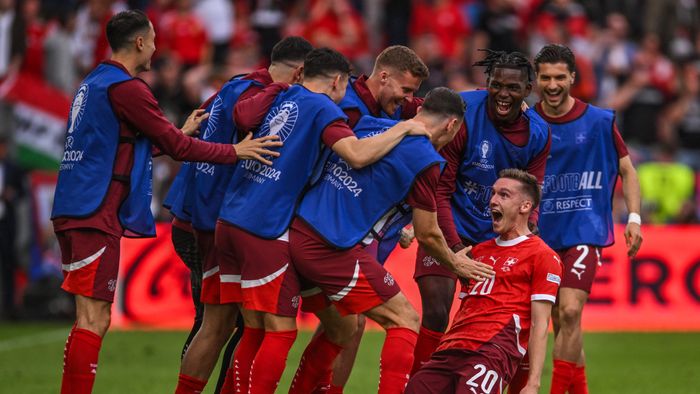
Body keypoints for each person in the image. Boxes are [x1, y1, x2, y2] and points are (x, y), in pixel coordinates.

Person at [50, 10, 281, 394]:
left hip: (72, 204)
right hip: (95, 210)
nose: (157, 48)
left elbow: (117, 147)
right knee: (95, 317)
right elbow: (178, 148)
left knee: (87, 316)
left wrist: (176, 132)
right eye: (154, 40)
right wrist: (235, 151)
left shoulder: (93, 81)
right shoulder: (129, 88)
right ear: (140, 42)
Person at [215, 47, 429, 394]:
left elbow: (242, 116)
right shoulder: (328, 108)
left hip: (235, 216)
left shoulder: (286, 94)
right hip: (270, 227)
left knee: (334, 326)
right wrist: (404, 129)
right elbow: (356, 156)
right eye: (406, 91)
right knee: (277, 331)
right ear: (337, 81)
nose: (408, 100)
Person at [287, 87, 496, 394]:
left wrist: (403, 223)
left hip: (295, 232)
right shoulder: (427, 160)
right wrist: (455, 263)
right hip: (330, 248)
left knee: (341, 328)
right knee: (405, 320)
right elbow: (429, 234)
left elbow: (373, 182)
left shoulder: (374, 125)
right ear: (452, 126)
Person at [172, 36, 313, 394]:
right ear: (299, 72)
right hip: (217, 219)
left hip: (190, 214)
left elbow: (200, 122)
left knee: (220, 323)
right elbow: (245, 120)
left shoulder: (235, 84)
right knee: (227, 325)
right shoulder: (265, 97)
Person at [509, 43, 642, 394]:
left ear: (572, 77)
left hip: (583, 232)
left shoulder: (599, 121)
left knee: (568, 313)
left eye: (559, 77)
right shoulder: (527, 123)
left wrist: (634, 218)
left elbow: (627, 170)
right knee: (559, 321)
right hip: (539, 236)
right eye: (545, 77)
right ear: (536, 79)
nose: (552, 85)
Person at [412, 50, 551, 373]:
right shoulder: (463, 114)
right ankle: (419, 385)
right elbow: (440, 191)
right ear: (487, 83)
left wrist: (527, 235)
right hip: (450, 228)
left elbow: (531, 196)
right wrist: (457, 252)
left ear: (528, 89)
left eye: (513, 88)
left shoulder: (538, 133)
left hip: (496, 239)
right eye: (497, 85)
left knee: (509, 323)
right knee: (436, 309)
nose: (503, 94)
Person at [316, 44, 431, 394]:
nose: (409, 100)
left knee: (347, 323)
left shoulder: (399, 108)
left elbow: (435, 112)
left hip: (363, 235)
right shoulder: (342, 104)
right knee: (352, 320)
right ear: (383, 76)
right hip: (327, 231)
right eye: (406, 90)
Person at [406, 169, 563, 394]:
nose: (493, 201)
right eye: (493, 193)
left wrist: (533, 383)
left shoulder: (543, 255)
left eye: (504, 195)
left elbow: (539, 324)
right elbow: (465, 309)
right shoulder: (477, 252)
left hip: (492, 352)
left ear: (525, 207)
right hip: (450, 350)